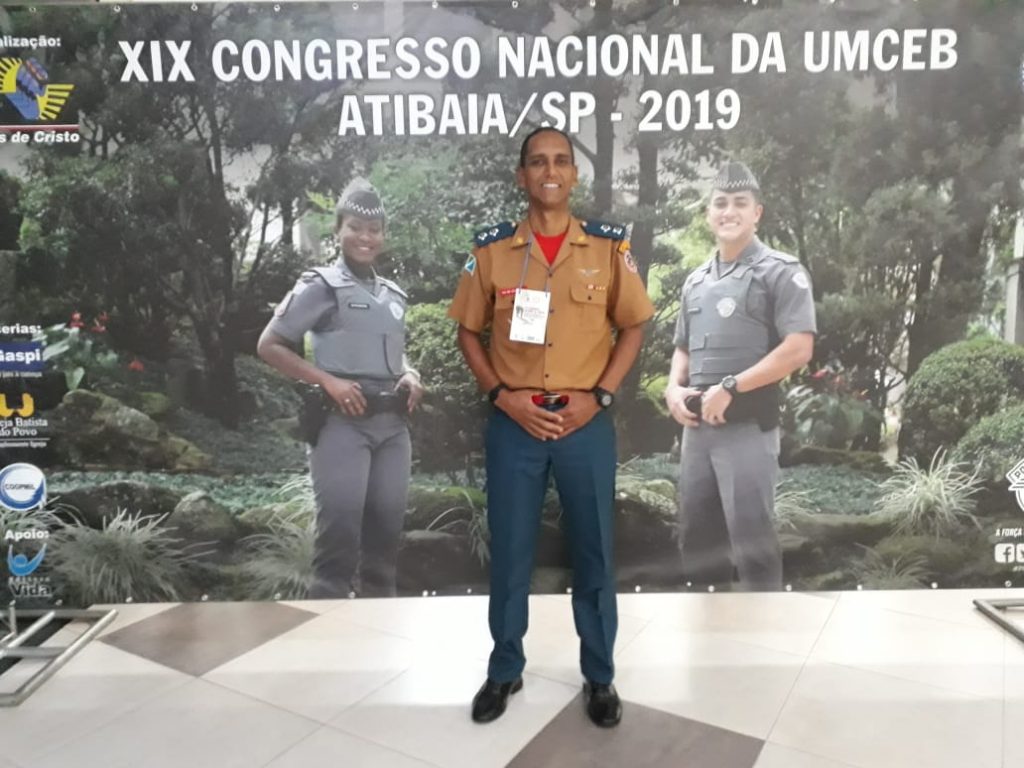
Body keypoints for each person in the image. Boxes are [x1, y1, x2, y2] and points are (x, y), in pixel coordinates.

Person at [449, 127, 654, 728]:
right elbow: (467, 330)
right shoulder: (493, 251)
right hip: (515, 423)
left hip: (583, 423)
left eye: (561, 161)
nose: (550, 171)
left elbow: (634, 325)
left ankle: (600, 676)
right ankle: (505, 668)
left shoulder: (607, 249)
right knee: (511, 552)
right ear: (522, 176)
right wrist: (501, 395)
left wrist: (602, 395)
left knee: (594, 552)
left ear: (574, 175)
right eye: (538, 162)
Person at [257, 178, 424, 599]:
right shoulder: (321, 285)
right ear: (338, 230)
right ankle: (326, 636)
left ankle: (381, 635)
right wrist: (327, 381)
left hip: (394, 429)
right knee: (338, 546)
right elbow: (269, 345)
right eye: (355, 227)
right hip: (343, 426)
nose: (365, 237)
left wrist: (411, 374)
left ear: (383, 235)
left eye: (374, 230)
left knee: (385, 547)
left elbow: (392, 353)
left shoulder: (393, 295)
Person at [664, 161, 816, 591]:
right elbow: (683, 346)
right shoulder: (695, 281)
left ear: (757, 213)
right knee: (696, 542)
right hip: (697, 433)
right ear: (708, 214)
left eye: (739, 203)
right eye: (720, 203)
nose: (728, 212)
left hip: (748, 427)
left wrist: (732, 387)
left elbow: (799, 348)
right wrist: (673, 388)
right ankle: (708, 626)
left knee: (753, 545)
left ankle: (763, 629)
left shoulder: (781, 271)